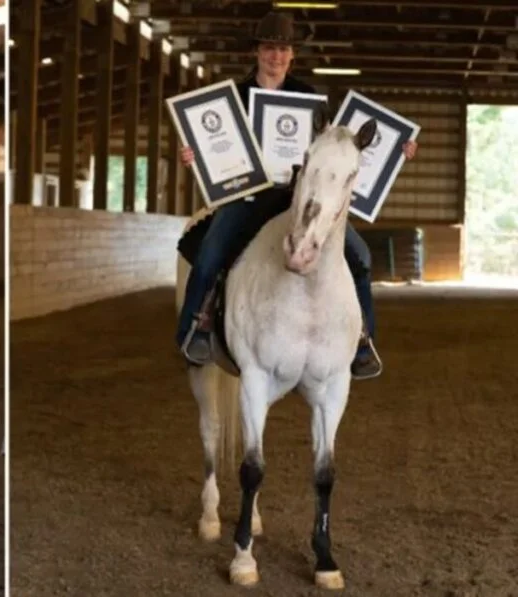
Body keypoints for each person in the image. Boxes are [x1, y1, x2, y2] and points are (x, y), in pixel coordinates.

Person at [176, 10, 418, 380]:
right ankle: (195, 331)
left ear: (292, 55)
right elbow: (214, 145)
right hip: (247, 197)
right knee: (210, 253)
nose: (276, 56)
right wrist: (194, 155)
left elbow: (341, 148)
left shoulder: (310, 101)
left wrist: (397, 151)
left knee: (362, 257)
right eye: (269, 48)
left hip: (295, 201)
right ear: (257, 51)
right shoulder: (234, 98)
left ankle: (362, 342)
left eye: (283, 49)